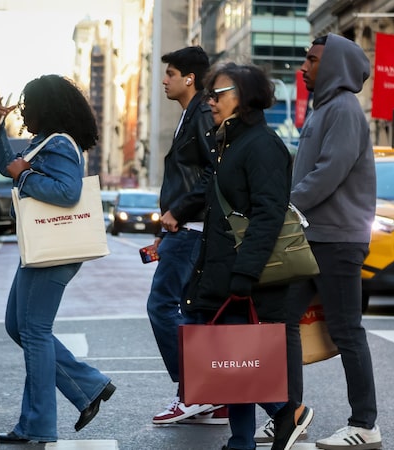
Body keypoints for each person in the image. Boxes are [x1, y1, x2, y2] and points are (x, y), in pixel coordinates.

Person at [183, 62, 305, 450]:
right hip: (225, 269)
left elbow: (269, 214)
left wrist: (246, 272)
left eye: (217, 94)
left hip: (246, 273)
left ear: (243, 97)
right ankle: (241, 442)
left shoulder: (262, 145)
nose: (209, 101)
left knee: (237, 359)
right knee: (234, 360)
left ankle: (286, 411)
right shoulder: (230, 143)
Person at [0, 74, 115, 444]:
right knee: (19, 327)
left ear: (47, 107)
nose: (24, 111)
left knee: (34, 331)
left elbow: (67, 192)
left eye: (29, 105)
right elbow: (9, 166)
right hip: (41, 246)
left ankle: (38, 423)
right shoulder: (44, 141)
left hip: (53, 250)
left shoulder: (58, 144)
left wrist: (26, 176)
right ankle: (88, 385)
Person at [270, 33, 383, 450]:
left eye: (313, 60)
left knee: (347, 330)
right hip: (313, 235)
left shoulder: (345, 110)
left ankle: (365, 424)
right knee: (283, 318)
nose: (304, 67)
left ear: (333, 64)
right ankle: (290, 414)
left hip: (338, 239)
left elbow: (330, 171)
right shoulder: (323, 109)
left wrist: (285, 206)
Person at [146, 46, 223, 425]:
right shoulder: (190, 114)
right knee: (194, 313)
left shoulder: (202, 113)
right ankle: (216, 398)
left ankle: (198, 389)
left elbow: (214, 170)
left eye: (171, 74)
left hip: (192, 227)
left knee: (162, 306)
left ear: (190, 78)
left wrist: (179, 211)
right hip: (185, 227)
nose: (164, 80)